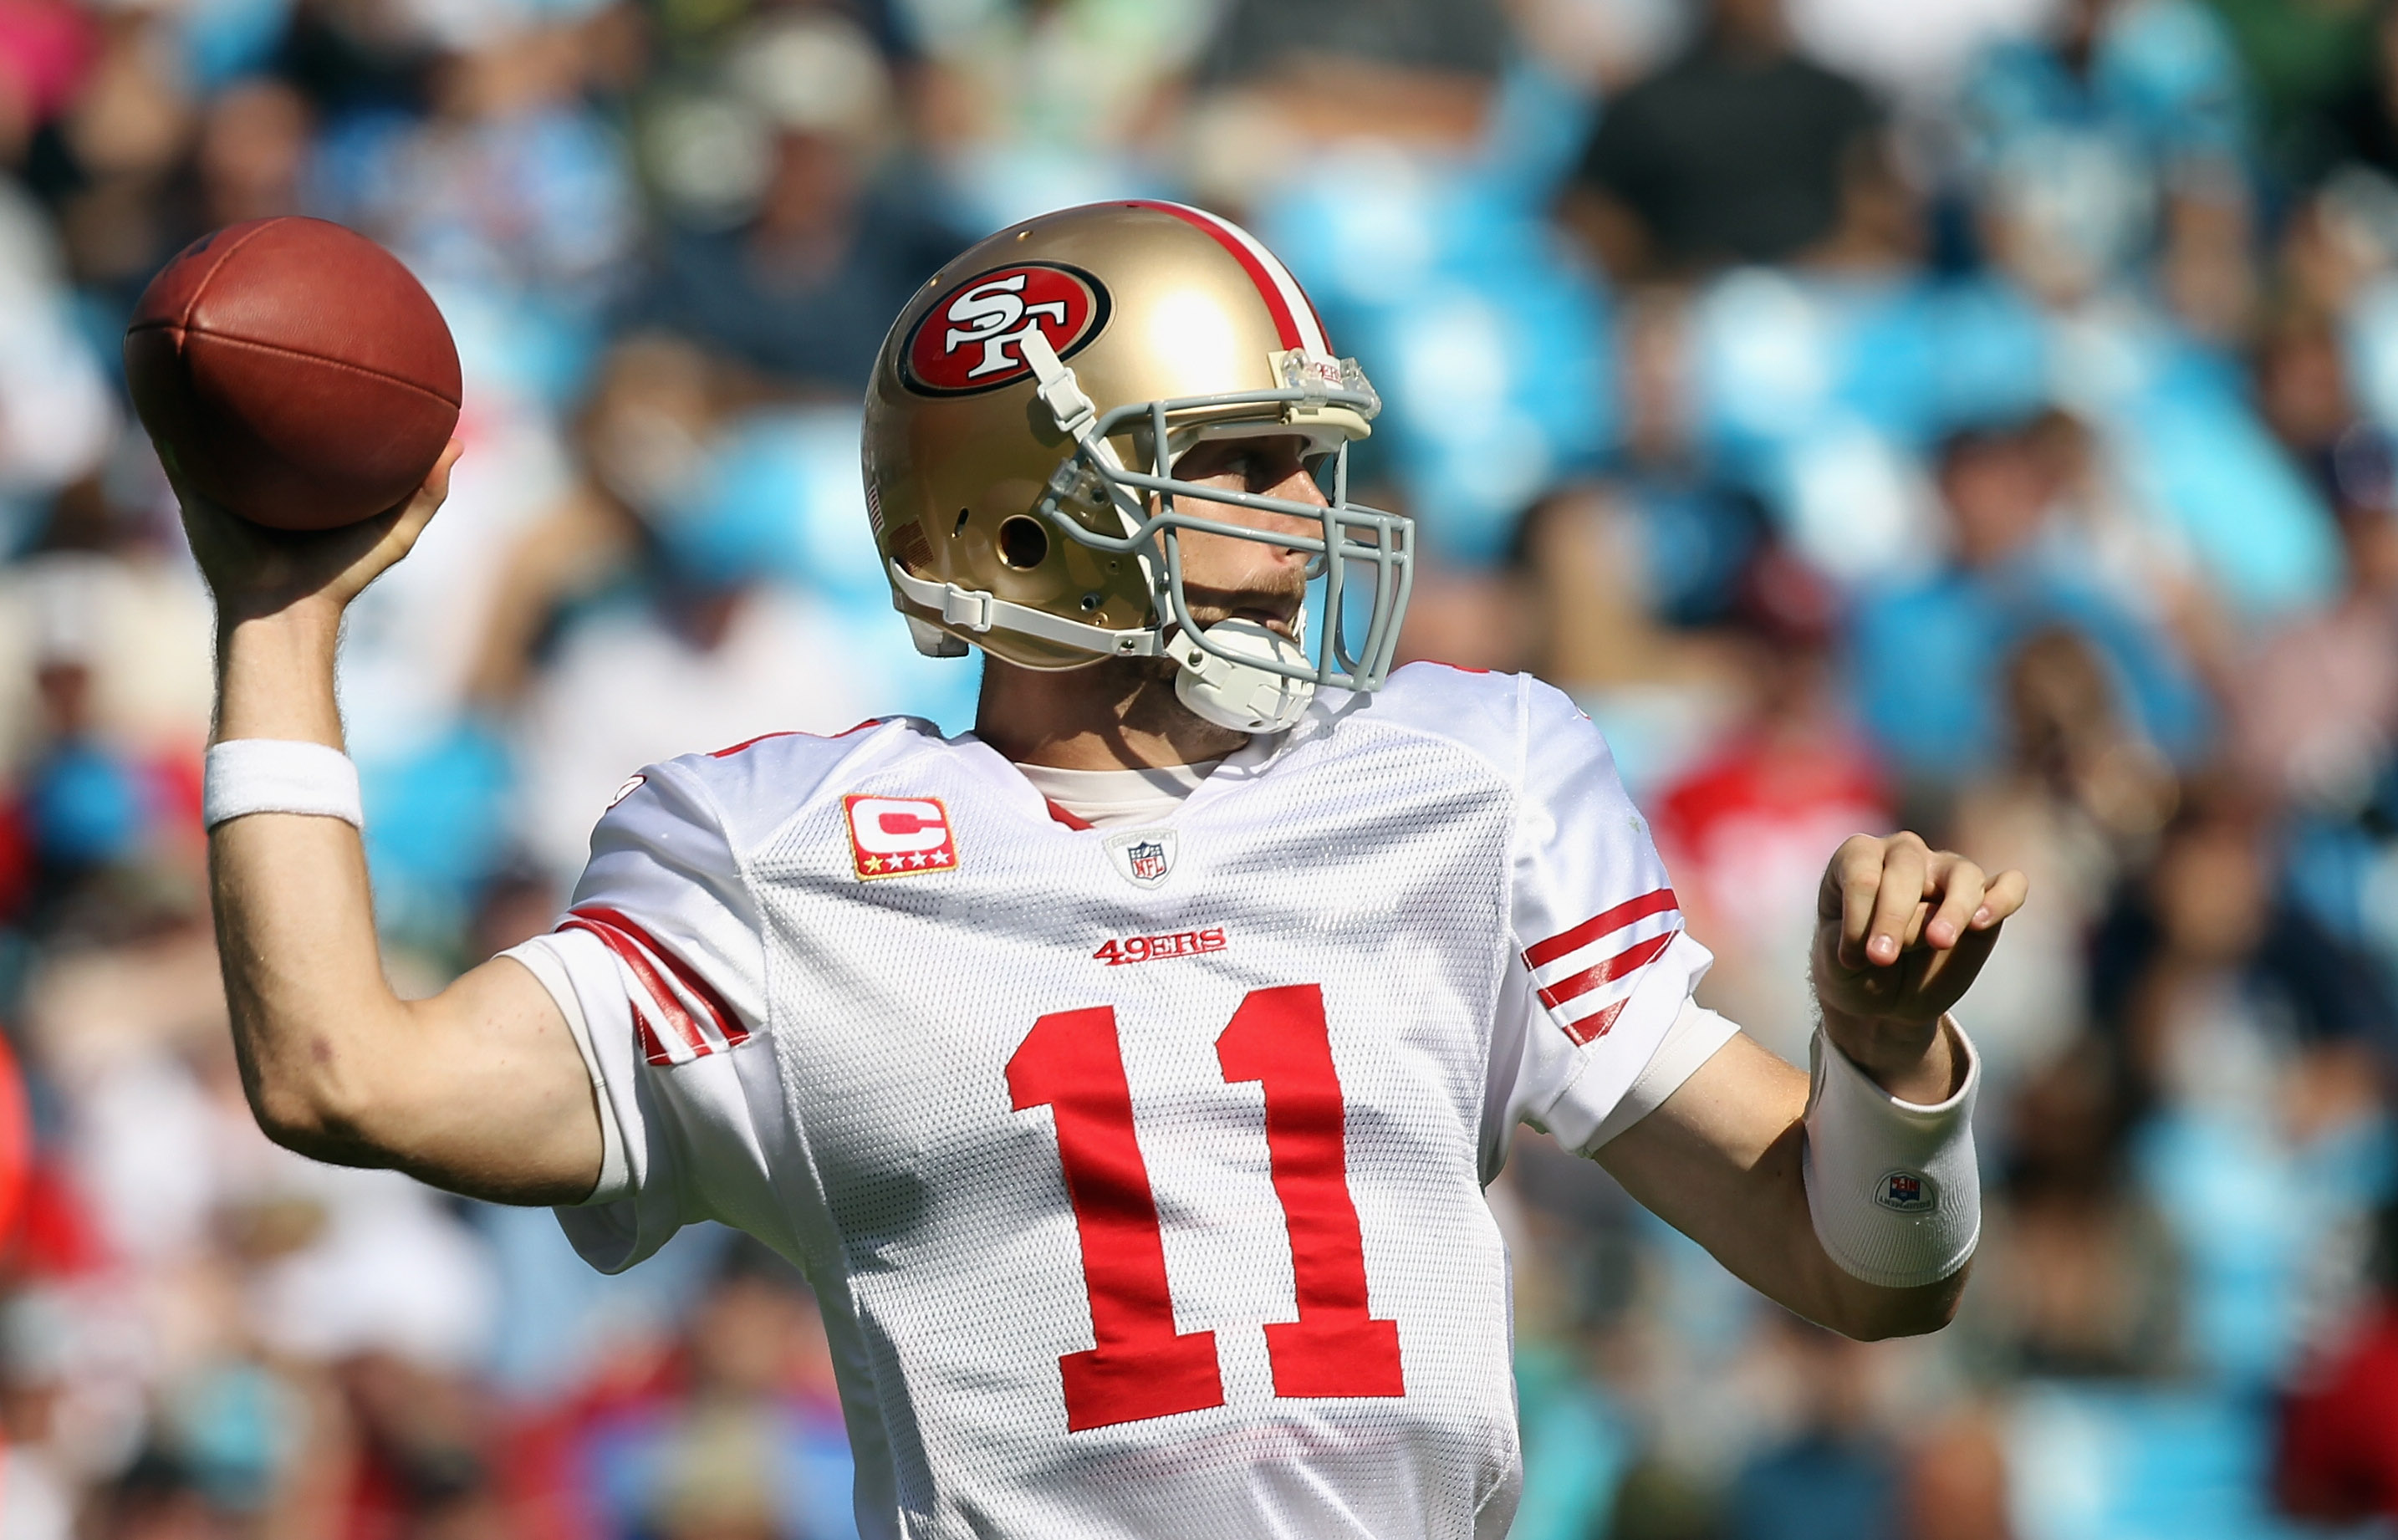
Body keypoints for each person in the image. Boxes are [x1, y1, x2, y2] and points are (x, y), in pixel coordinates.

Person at [173, 200, 2027, 1538]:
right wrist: (280, 622)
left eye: (1308, 466)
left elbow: (1868, 1273)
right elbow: (350, 1075)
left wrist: (1886, 1061)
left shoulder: (1471, 782)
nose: (1307, 527)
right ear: (1022, 512)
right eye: (1234, 466)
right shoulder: (778, 857)